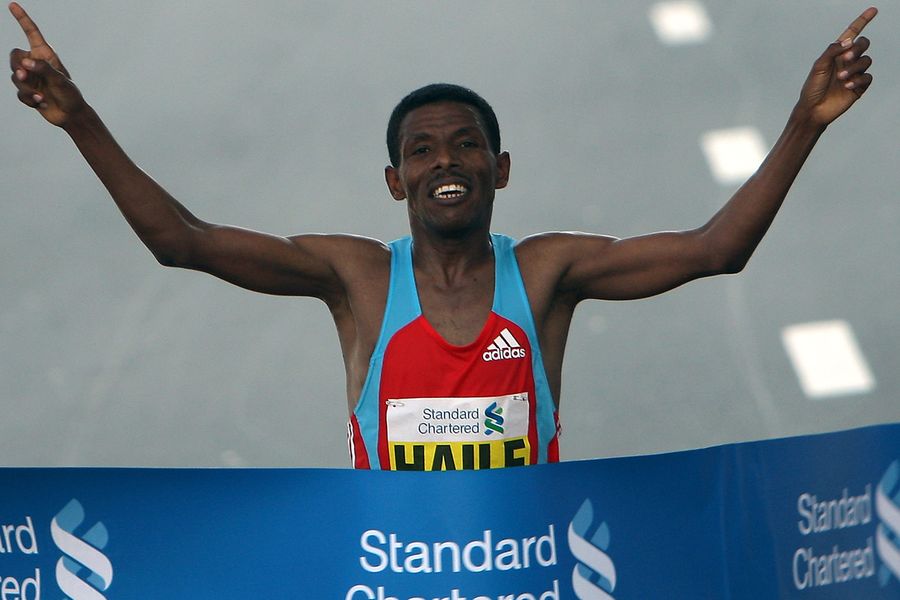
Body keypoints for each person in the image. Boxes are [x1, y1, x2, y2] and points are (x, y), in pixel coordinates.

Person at [8, 2, 877, 470]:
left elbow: (716, 249)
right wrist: (77, 118)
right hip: (393, 576)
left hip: (524, 574)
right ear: (395, 182)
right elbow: (183, 240)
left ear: (502, 170)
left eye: (466, 145)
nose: (445, 162)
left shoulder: (547, 273)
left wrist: (806, 122)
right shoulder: (356, 279)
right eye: (421, 151)